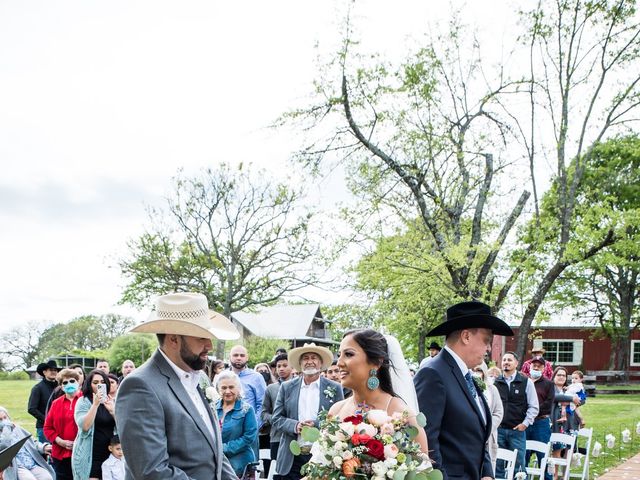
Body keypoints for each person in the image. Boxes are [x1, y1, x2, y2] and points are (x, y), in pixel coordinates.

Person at [115, 292, 239, 480]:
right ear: (174, 339)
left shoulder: (194, 379)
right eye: (201, 337)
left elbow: (214, 454)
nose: (209, 345)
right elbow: (151, 471)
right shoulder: (140, 386)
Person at [414, 300, 514, 480]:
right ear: (466, 336)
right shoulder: (433, 373)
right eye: (486, 340)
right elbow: (426, 441)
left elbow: (477, 434)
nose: (489, 348)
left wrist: (486, 473)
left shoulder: (467, 376)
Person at [329, 330, 427, 452]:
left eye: (348, 354)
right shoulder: (335, 411)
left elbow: (423, 468)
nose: (339, 363)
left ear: (376, 362)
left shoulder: (402, 415)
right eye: (339, 355)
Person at [272, 343, 344, 480]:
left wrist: (317, 424)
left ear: (321, 363)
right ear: (300, 363)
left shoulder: (335, 388)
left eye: (314, 358)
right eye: (305, 358)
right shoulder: (286, 387)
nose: (309, 361)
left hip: (322, 457)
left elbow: (339, 420)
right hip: (292, 456)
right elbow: (276, 418)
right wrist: (295, 425)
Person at [494, 351, 539, 478]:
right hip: (499, 430)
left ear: (516, 363)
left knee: (519, 466)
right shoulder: (495, 383)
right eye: (504, 360)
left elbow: (534, 406)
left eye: (509, 360)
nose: (506, 362)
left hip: (517, 431)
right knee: (498, 465)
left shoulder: (526, 382)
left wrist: (525, 424)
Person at [72, 368, 116, 480]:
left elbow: (123, 428)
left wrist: (113, 411)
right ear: (89, 384)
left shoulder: (111, 401)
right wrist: (95, 405)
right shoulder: (83, 401)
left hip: (111, 454)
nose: (99, 385)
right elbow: (85, 426)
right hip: (90, 455)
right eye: (95, 383)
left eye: (102, 382)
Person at [214, 371, 258, 477]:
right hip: (216, 462)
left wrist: (223, 449)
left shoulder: (247, 409)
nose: (227, 391)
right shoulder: (212, 408)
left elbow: (249, 438)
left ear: (238, 388)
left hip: (240, 464)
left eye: (231, 387)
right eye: (223, 388)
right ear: (218, 389)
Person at [44, 368, 82, 480]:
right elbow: (47, 427)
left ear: (78, 382)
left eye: (72, 381)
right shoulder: (56, 403)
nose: (69, 384)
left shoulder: (86, 400)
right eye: (65, 382)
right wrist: (60, 441)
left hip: (82, 452)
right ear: (61, 386)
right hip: (61, 454)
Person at [0, 406, 54, 480]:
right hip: (16, 466)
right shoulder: (6, 430)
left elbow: (32, 442)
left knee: (47, 477)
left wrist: (43, 447)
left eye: (5, 417)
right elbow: (5, 444)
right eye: (0, 420)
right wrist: (6, 429)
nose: (4, 421)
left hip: (30, 462)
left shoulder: (17, 428)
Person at [262, 353, 293, 478]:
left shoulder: (299, 387)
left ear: (292, 367)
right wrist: (276, 419)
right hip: (276, 437)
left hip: (295, 437)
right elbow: (264, 413)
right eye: (278, 366)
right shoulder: (271, 388)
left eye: (285, 365)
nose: (281, 368)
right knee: (276, 472)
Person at [525, 355, 555, 479]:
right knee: (523, 454)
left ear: (543, 368)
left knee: (543, 455)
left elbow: (548, 403)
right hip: (525, 422)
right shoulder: (524, 382)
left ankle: (547, 478)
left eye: (539, 366)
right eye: (534, 365)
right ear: (530, 366)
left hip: (541, 423)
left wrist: (532, 410)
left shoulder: (549, 384)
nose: (536, 368)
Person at [472, 364, 503, 474]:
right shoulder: (465, 387)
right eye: (474, 370)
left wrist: (488, 427)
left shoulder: (492, 389)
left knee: (488, 470)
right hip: (471, 434)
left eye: (479, 370)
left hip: (489, 435)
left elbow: (498, 412)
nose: (477, 373)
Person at [28, 360, 59, 443]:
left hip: (59, 427)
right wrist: (47, 420)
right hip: (43, 427)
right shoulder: (38, 388)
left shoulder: (60, 387)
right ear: (44, 372)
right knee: (46, 453)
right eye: (51, 370)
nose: (53, 372)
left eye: (55, 370)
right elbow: (32, 409)